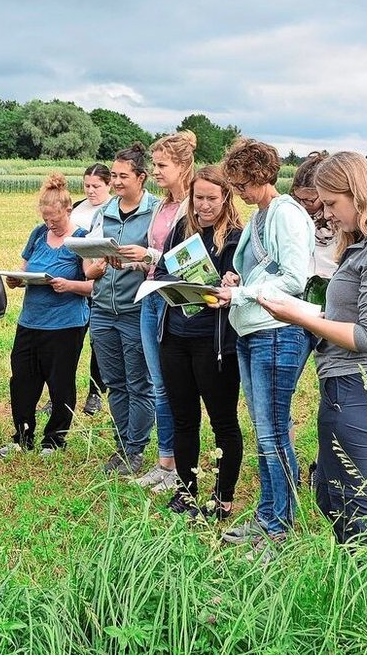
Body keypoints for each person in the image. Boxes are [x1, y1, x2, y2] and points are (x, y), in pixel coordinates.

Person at [260, 152, 367, 545]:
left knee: (353, 508)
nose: (327, 214)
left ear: (358, 194)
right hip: (356, 384)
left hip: (357, 386)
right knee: (330, 495)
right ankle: (350, 582)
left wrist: (301, 318)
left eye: (332, 204)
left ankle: (365, 592)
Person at [213, 138, 315, 560]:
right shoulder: (260, 216)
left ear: (259, 175)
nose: (238, 191)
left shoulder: (286, 214)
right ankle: (267, 513)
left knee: (274, 434)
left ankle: (280, 527)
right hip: (254, 330)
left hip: (278, 330)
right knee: (264, 432)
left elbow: (293, 277)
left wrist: (242, 293)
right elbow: (259, 269)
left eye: (242, 183)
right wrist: (237, 280)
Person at [153, 165, 243, 522]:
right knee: (183, 419)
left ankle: (222, 499)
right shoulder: (182, 229)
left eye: (211, 198)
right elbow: (160, 270)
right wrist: (172, 280)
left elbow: (240, 281)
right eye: (198, 198)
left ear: (225, 198)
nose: (204, 205)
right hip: (176, 337)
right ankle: (186, 491)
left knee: (222, 421)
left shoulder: (235, 237)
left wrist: (230, 281)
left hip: (214, 342)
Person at [0, 174, 93, 456]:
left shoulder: (81, 239)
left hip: (66, 324)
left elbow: (92, 285)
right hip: (31, 320)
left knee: (60, 383)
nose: (50, 223)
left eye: (55, 218)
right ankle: (22, 435)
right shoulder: (38, 234)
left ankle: (55, 439)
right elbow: (26, 269)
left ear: (68, 210)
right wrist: (16, 280)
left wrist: (69, 286)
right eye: (46, 218)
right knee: (22, 381)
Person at [86, 143, 160, 476]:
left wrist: (141, 257)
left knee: (138, 383)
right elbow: (89, 255)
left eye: (123, 176)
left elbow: (161, 259)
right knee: (115, 383)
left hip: (135, 309)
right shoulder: (105, 211)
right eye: (113, 175)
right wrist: (96, 265)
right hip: (102, 307)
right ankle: (121, 443)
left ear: (141, 178)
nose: (116, 182)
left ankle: (135, 449)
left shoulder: (155, 212)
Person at [130, 130, 197, 492]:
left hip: (176, 299)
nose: (154, 172)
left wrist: (151, 257)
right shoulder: (160, 206)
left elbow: (193, 259)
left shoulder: (194, 206)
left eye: (161, 165)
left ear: (183, 166)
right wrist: (130, 260)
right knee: (158, 384)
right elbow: (154, 253)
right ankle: (164, 459)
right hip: (151, 293)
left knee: (174, 385)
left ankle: (179, 466)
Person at [71, 163, 113, 416]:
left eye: (96, 186)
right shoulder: (76, 208)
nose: (90, 190)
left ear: (108, 185)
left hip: (99, 282)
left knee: (97, 344)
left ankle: (95, 392)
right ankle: (60, 393)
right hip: (73, 281)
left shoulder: (111, 211)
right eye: (87, 185)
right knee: (70, 341)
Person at [291, 151, 337, 290]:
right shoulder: (291, 215)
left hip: (331, 287)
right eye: (299, 198)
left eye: (309, 200)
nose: (303, 204)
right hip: (301, 287)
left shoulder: (340, 220)